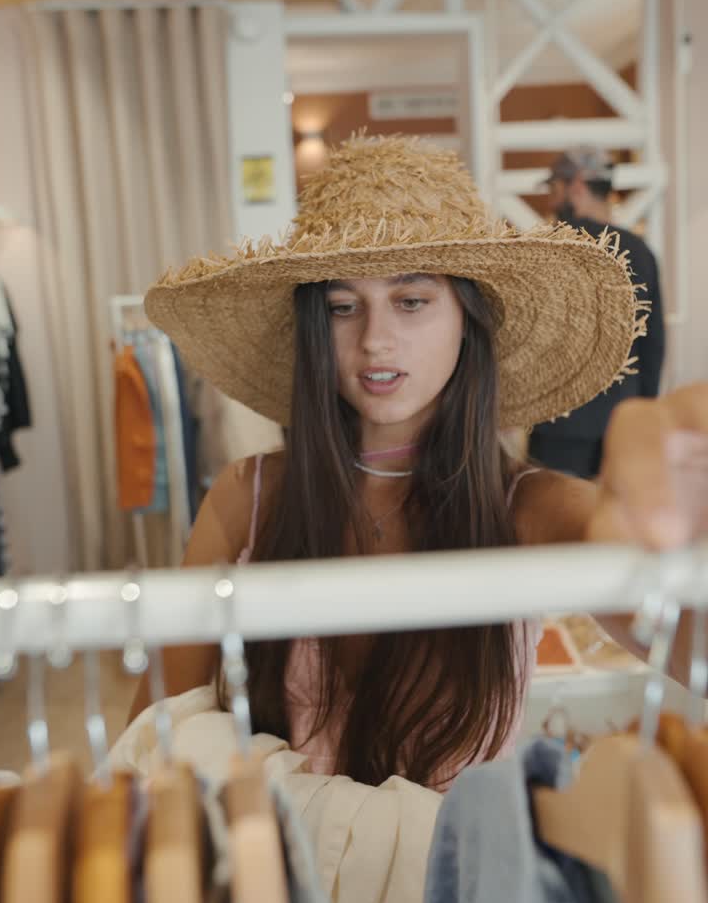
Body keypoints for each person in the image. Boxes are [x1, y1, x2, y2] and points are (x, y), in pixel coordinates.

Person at [129, 135, 707, 790]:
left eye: (411, 301)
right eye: (342, 307)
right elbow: (149, 745)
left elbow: (689, 644)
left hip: (455, 862)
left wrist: (679, 533)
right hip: (268, 858)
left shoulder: (528, 508)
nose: (375, 340)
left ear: (467, 317)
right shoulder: (247, 498)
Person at [529, 148, 665, 479]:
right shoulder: (640, 251)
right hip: (621, 421)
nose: (551, 199)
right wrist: (641, 411)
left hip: (560, 422)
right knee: (616, 511)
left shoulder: (549, 246)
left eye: (554, 188)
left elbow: (531, 335)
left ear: (576, 186)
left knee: (558, 509)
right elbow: (653, 345)